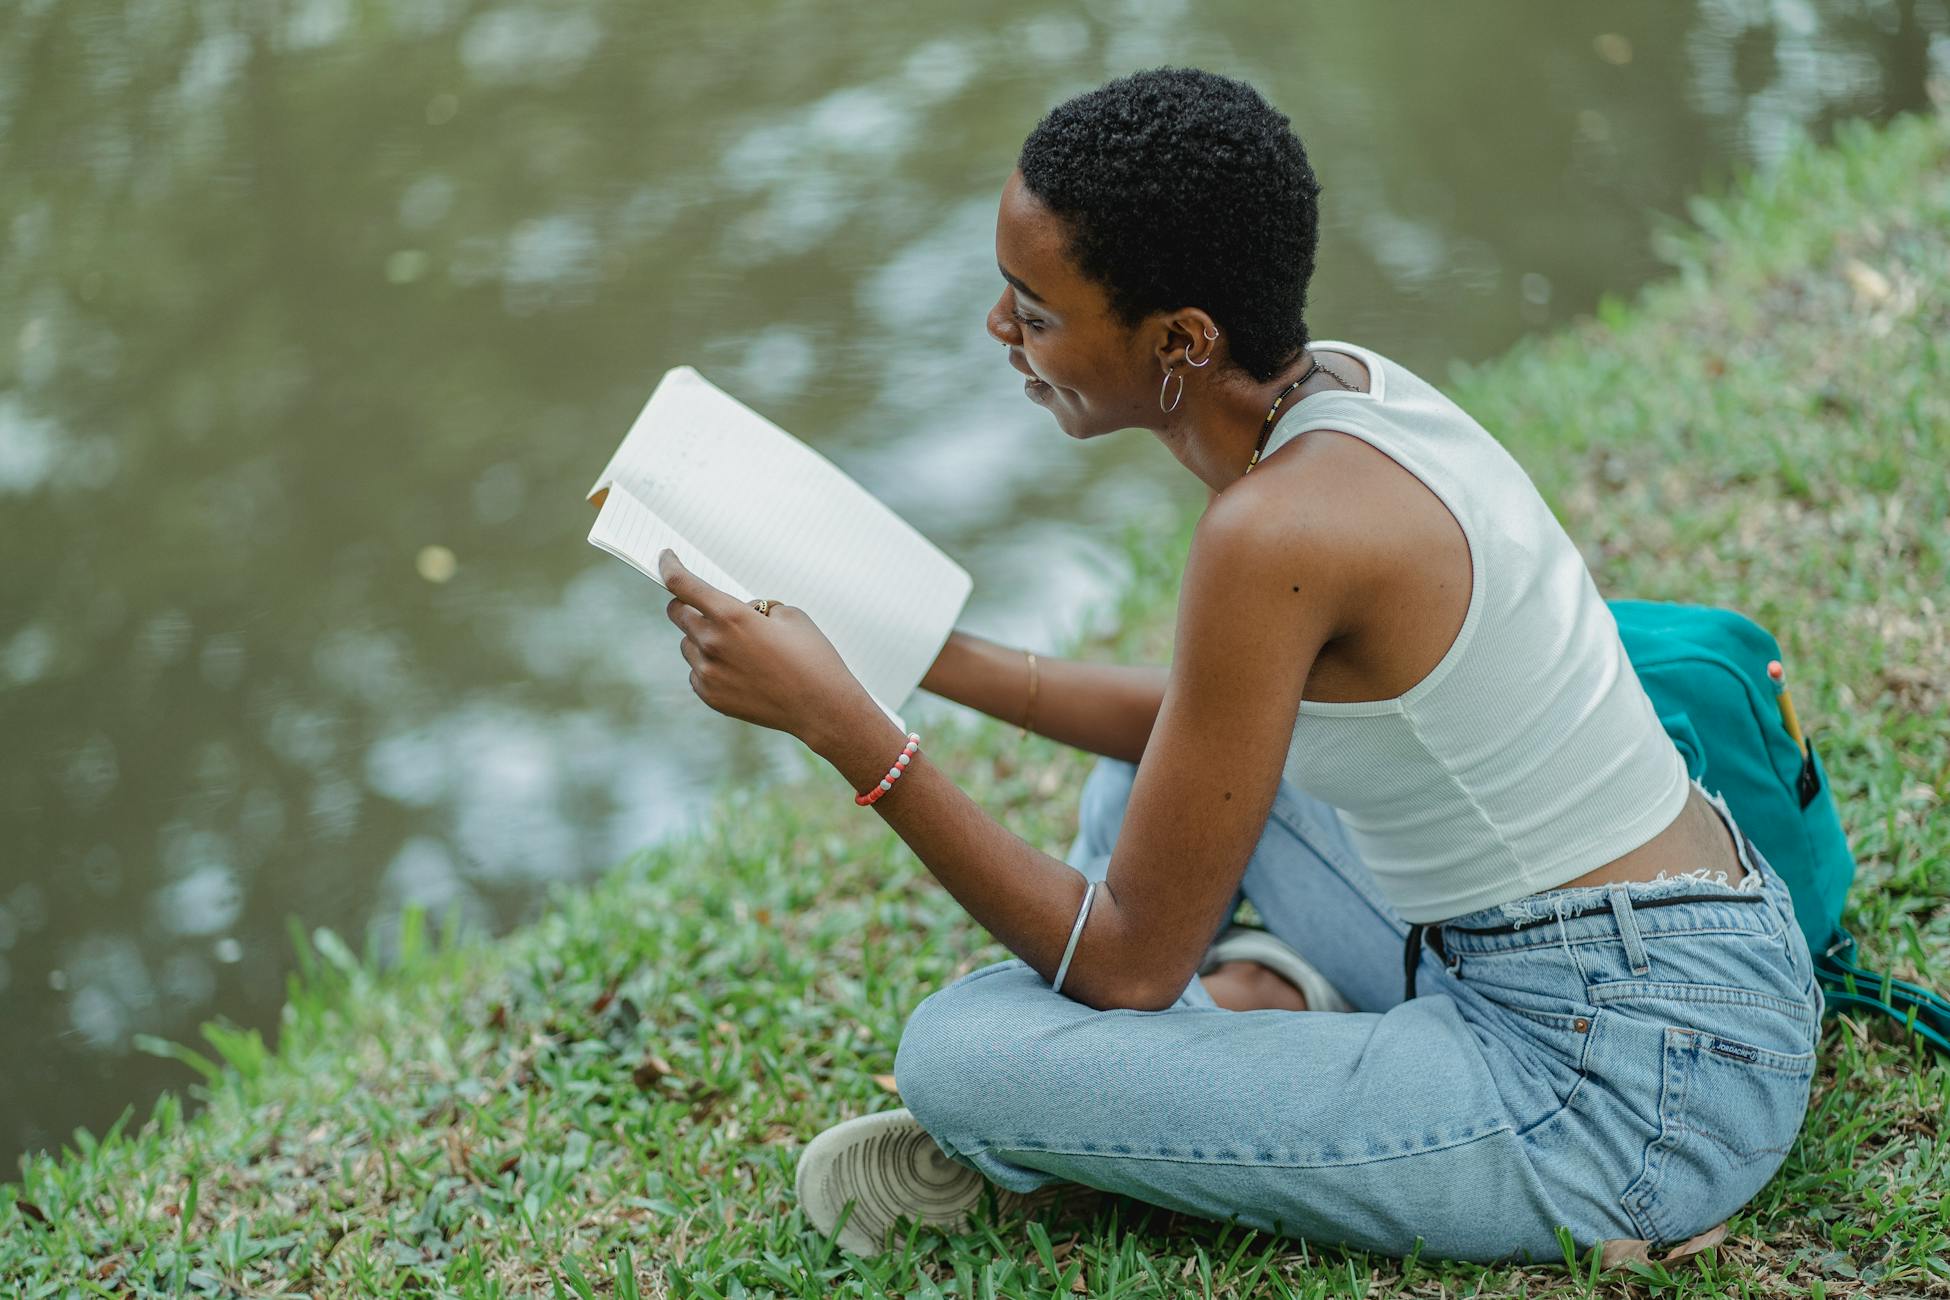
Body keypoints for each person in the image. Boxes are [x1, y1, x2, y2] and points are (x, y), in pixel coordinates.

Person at [658, 66, 1823, 1263]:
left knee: (957, 1052)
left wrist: (849, 729)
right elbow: (1210, 722)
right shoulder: (1343, 394)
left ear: (1181, 341)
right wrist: (914, 652)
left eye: (1035, 309)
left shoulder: (1272, 533)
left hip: (1624, 1092)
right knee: (1139, 788)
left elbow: (1123, 963)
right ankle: (1260, 1015)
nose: (999, 331)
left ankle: (1150, 1095)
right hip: (1676, 956)